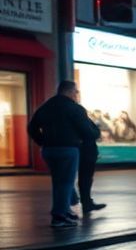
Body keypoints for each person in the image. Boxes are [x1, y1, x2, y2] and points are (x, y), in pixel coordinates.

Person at [28, 81, 99, 227]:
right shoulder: (74, 108)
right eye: (76, 91)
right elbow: (87, 131)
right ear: (70, 91)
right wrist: (94, 134)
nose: (76, 94)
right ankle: (59, 216)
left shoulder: (46, 106)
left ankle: (66, 210)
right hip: (68, 149)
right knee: (65, 182)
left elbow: (31, 127)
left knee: (58, 181)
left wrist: (43, 141)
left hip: (48, 150)